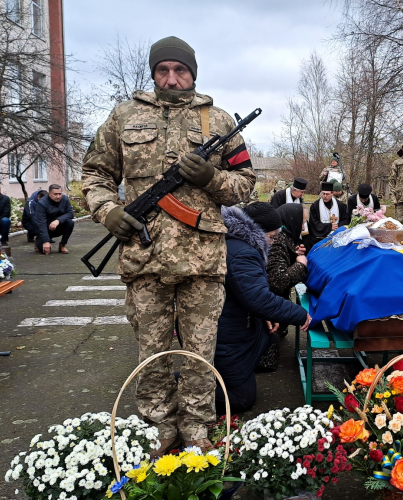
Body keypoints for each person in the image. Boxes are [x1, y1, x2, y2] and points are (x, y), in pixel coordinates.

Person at [81, 36, 256, 452]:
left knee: (201, 353)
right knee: (151, 353)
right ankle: (156, 429)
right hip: (145, 258)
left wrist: (210, 180)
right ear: (153, 72)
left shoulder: (220, 120)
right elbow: (95, 173)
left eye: (181, 70)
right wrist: (109, 212)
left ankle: (197, 428)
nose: (172, 78)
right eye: (164, 70)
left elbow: (246, 185)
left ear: (193, 73)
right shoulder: (123, 117)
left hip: (203, 260)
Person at [215, 203, 310, 414]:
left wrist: (263, 313)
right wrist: (300, 314)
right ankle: (180, 388)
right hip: (227, 333)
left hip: (231, 325)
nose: (274, 241)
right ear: (257, 230)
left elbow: (245, 292)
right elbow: (259, 298)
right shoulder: (244, 254)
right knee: (241, 399)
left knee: (244, 387)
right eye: (272, 236)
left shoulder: (237, 243)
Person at [258, 203, 308, 371]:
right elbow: (277, 280)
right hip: (266, 311)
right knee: (267, 362)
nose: (303, 227)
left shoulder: (282, 237)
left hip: (270, 306)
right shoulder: (278, 241)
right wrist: (300, 265)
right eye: (302, 222)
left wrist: (293, 254)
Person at [34, 184, 74, 255]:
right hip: (46, 228)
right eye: (55, 194)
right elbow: (41, 223)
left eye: (60, 194)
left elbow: (70, 213)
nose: (58, 196)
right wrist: (46, 241)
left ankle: (62, 245)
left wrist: (58, 220)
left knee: (70, 222)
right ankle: (38, 241)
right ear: (49, 194)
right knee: (44, 251)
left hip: (58, 226)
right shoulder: (42, 203)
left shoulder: (65, 199)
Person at [307, 182, 349, 246]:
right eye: (323, 194)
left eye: (327, 194)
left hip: (336, 237)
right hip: (320, 238)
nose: (325, 196)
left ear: (332, 194)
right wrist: (329, 227)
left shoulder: (340, 205)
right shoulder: (315, 206)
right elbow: (313, 223)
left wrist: (337, 225)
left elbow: (346, 219)